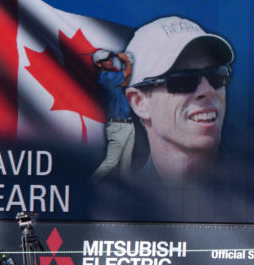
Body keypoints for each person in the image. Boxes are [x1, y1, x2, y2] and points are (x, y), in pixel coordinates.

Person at [123, 16, 234, 185]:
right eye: (183, 80)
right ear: (140, 103)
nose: (208, 90)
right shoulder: (121, 199)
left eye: (217, 75)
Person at [89, 48, 136, 183]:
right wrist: (127, 61)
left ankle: (124, 193)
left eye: (110, 58)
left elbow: (126, 83)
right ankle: (87, 186)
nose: (109, 61)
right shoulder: (106, 78)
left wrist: (128, 63)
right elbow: (127, 72)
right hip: (117, 126)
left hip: (127, 124)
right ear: (99, 64)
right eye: (105, 60)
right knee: (110, 163)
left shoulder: (111, 78)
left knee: (126, 164)